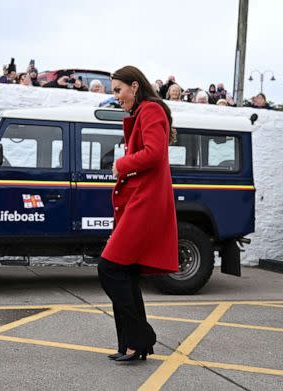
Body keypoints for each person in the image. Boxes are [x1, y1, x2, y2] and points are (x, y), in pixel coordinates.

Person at [98, 65, 178, 362]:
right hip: (138, 202)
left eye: (118, 90)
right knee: (125, 272)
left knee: (109, 268)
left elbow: (155, 153)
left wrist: (121, 164)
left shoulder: (151, 110)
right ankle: (132, 345)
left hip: (145, 203)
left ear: (134, 86)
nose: (115, 97)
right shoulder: (142, 113)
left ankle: (141, 337)